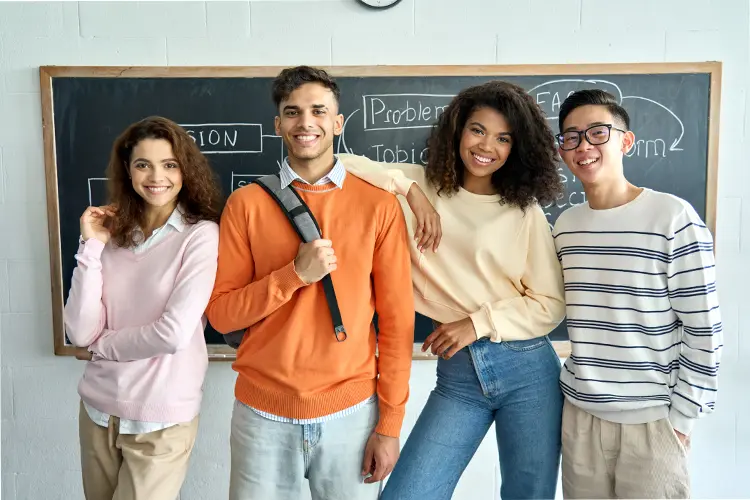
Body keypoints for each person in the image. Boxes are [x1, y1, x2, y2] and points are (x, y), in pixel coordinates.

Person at [338, 79, 567, 500]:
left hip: (528, 369)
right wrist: (411, 192)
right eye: (478, 130)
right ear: (458, 129)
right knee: (407, 493)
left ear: (517, 148)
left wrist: (477, 323)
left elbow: (550, 305)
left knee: (528, 495)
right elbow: (335, 163)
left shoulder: (523, 212)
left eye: (503, 138)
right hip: (460, 376)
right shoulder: (411, 184)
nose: (487, 146)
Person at [205, 66, 415, 500]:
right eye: (293, 112)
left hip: (353, 415)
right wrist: (294, 276)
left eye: (319, 111)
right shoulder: (245, 205)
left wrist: (390, 425)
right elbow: (222, 312)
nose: (306, 122)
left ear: (337, 123)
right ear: (278, 124)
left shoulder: (379, 205)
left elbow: (397, 323)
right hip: (261, 414)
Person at [551, 89, 723, 498]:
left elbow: (704, 328)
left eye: (597, 133)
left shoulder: (673, 216)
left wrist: (683, 419)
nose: (583, 146)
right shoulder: (564, 227)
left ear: (625, 141)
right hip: (580, 417)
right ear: (562, 151)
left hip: (652, 421)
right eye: (571, 137)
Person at [63, 116, 223, 499]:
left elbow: (172, 334)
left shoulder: (200, 236)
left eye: (169, 164)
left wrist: (101, 348)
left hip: (160, 419)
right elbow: (79, 332)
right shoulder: (114, 234)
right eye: (143, 164)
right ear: (128, 171)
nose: (157, 176)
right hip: (98, 411)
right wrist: (92, 247)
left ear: (185, 170)